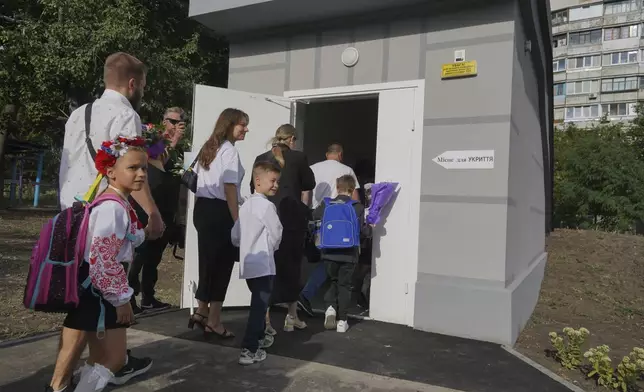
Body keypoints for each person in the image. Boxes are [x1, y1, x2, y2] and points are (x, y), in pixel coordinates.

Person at [50, 52, 158, 392]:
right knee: (93, 303)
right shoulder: (127, 114)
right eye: (141, 84)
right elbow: (130, 167)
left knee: (84, 305)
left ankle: (88, 370)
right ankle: (74, 377)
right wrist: (151, 214)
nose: (141, 90)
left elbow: (66, 167)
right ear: (132, 83)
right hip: (102, 213)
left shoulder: (79, 113)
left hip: (71, 213)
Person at [188, 108, 249, 339]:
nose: (246, 129)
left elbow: (197, 182)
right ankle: (214, 319)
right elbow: (230, 187)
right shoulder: (230, 151)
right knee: (223, 265)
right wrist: (236, 221)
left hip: (203, 208)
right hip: (220, 210)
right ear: (230, 124)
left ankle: (202, 311)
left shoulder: (209, 147)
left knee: (207, 261)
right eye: (242, 124)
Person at [251, 124, 315, 334]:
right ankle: (292, 316)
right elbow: (309, 183)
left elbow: (252, 187)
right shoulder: (298, 158)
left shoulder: (261, 157)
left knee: (268, 268)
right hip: (291, 218)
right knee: (292, 267)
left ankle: (267, 320)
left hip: (266, 216)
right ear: (292, 139)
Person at [128, 107, 187, 314]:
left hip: (165, 207)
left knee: (154, 257)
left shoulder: (172, 145)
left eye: (179, 123)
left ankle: (148, 296)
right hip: (147, 206)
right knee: (139, 255)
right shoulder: (151, 137)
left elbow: (169, 165)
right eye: (172, 121)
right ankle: (129, 297)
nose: (174, 126)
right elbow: (156, 159)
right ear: (163, 120)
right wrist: (173, 140)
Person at [297, 144, 360, 316]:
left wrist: (308, 214)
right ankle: (311, 297)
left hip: (318, 218)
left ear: (327, 154)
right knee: (330, 263)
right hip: (339, 225)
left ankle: (305, 297)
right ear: (340, 154)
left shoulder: (312, 169)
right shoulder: (346, 170)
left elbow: (305, 193)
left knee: (323, 260)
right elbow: (354, 201)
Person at [232, 162, 283, 365]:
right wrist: (270, 247)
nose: (276, 185)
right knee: (259, 307)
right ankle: (249, 348)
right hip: (263, 263)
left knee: (258, 302)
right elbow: (277, 232)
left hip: (248, 264)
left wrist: (245, 245)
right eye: (273, 181)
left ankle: (259, 338)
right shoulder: (267, 206)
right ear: (258, 181)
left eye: (277, 181)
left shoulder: (245, 206)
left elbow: (235, 235)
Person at [313, 175, 370, 333]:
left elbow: (313, 219)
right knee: (344, 285)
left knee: (332, 281)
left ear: (337, 188)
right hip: (349, 254)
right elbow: (363, 231)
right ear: (352, 191)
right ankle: (342, 321)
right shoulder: (357, 207)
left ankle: (330, 308)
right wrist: (370, 227)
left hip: (329, 252)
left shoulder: (326, 204)